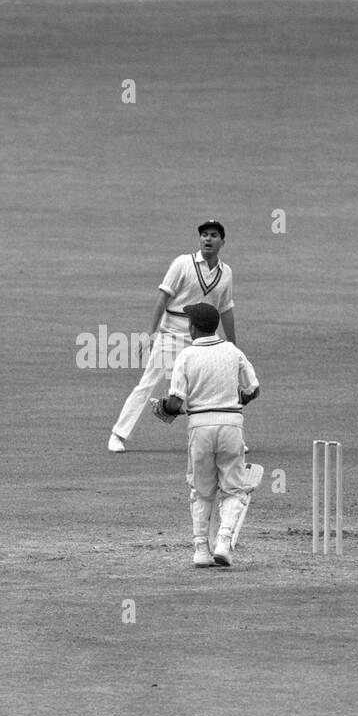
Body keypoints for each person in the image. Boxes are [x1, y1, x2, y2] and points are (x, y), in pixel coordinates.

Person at [108, 219, 237, 453]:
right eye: (204, 235)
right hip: (172, 334)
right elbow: (162, 297)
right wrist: (150, 332)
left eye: (214, 235)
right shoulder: (183, 263)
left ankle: (227, 438)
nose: (208, 239)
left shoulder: (225, 273)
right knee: (147, 384)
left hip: (205, 338)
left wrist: (232, 345)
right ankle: (118, 434)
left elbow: (226, 309)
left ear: (223, 242)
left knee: (215, 387)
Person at [153, 303, 259, 568]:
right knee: (234, 487)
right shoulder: (233, 351)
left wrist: (162, 407)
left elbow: (177, 402)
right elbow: (254, 389)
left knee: (201, 490)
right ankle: (223, 542)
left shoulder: (187, 356)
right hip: (231, 424)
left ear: (192, 327)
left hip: (199, 426)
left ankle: (201, 549)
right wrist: (234, 402)